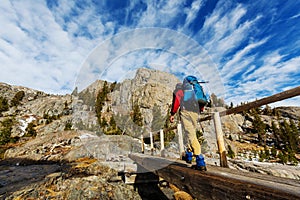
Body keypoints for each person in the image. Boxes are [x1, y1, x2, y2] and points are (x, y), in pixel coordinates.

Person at [169, 82, 207, 171]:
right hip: (195, 113)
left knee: (190, 134)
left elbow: (176, 103)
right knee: (190, 133)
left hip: (186, 113)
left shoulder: (179, 91)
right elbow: (201, 103)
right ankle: (189, 155)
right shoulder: (192, 92)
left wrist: (172, 114)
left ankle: (200, 161)